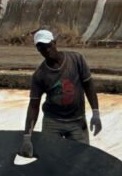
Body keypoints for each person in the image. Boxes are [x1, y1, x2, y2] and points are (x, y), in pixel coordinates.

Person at [19, 29, 102, 157]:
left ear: (55, 43)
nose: (46, 50)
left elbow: (89, 86)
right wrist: (27, 137)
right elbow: (33, 106)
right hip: (53, 121)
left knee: (81, 158)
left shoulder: (76, 60)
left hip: (76, 121)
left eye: (48, 45)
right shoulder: (40, 75)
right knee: (50, 159)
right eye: (41, 48)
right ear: (38, 50)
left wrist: (95, 113)